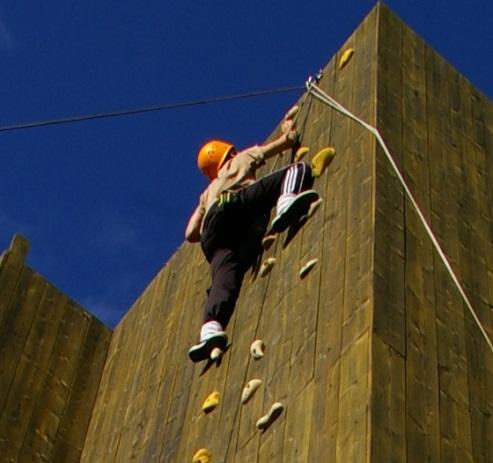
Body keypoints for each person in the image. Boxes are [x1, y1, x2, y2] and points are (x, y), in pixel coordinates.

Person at [185, 106, 319, 362]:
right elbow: (282, 145)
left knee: (225, 279)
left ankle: (211, 329)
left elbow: (191, 232)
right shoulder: (240, 158)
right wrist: (287, 132)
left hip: (212, 237)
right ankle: (286, 201)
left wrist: (209, 209)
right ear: (229, 153)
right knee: (298, 169)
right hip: (233, 206)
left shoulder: (207, 192)